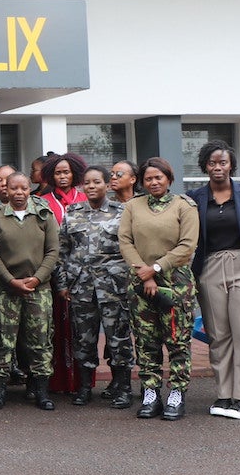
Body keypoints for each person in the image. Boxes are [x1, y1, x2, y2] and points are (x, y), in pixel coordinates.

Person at [187, 140, 240, 420]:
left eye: (223, 162)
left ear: (231, 164)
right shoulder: (195, 197)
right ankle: (224, 394)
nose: (218, 167)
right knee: (218, 336)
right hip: (209, 266)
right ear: (205, 166)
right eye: (212, 163)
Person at [118, 157, 199, 421]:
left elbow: (187, 246)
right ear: (142, 181)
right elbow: (126, 241)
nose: (153, 182)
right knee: (146, 340)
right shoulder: (133, 206)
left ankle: (176, 393)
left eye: (158, 177)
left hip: (175, 284)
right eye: (149, 178)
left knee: (177, 340)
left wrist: (155, 269)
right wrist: (144, 273)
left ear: (169, 178)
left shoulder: (184, 206)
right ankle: (150, 392)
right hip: (140, 282)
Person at [0, 172, 60, 411]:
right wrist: (9, 280)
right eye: (13, 188)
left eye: (23, 188)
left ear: (30, 190)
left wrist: (37, 279)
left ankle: (40, 390)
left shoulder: (44, 215)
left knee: (40, 341)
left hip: (39, 289)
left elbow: (53, 251)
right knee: (2, 342)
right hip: (6, 290)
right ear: (5, 189)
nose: (18, 193)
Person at [58, 166, 132, 408]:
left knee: (118, 339)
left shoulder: (122, 212)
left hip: (113, 286)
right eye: (86, 183)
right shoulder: (72, 212)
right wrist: (63, 283)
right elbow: (62, 250)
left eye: (96, 182)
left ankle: (123, 388)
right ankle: (84, 387)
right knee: (83, 339)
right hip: (81, 287)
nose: (90, 187)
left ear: (106, 185)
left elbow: (129, 250)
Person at [40, 152, 87, 396]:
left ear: (75, 173)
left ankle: (82, 382)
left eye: (66, 172)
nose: (62, 176)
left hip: (84, 275)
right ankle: (58, 381)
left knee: (82, 330)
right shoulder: (43, 201)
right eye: (58, 172)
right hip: (53, 275)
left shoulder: (86, 197)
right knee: (55, 329)